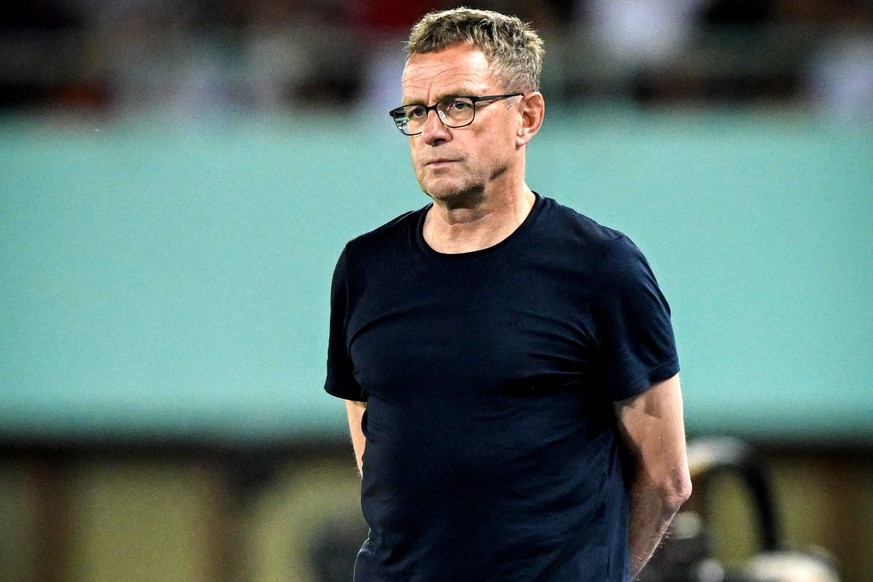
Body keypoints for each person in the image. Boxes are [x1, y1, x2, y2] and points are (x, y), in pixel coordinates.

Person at [324, 8, 692, 581]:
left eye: (459, 105)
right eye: (415, 112)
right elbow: (376, 458)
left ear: (528, 116)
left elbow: (666, 481)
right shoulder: (366, 268)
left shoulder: (602, 268)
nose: (432, 131)